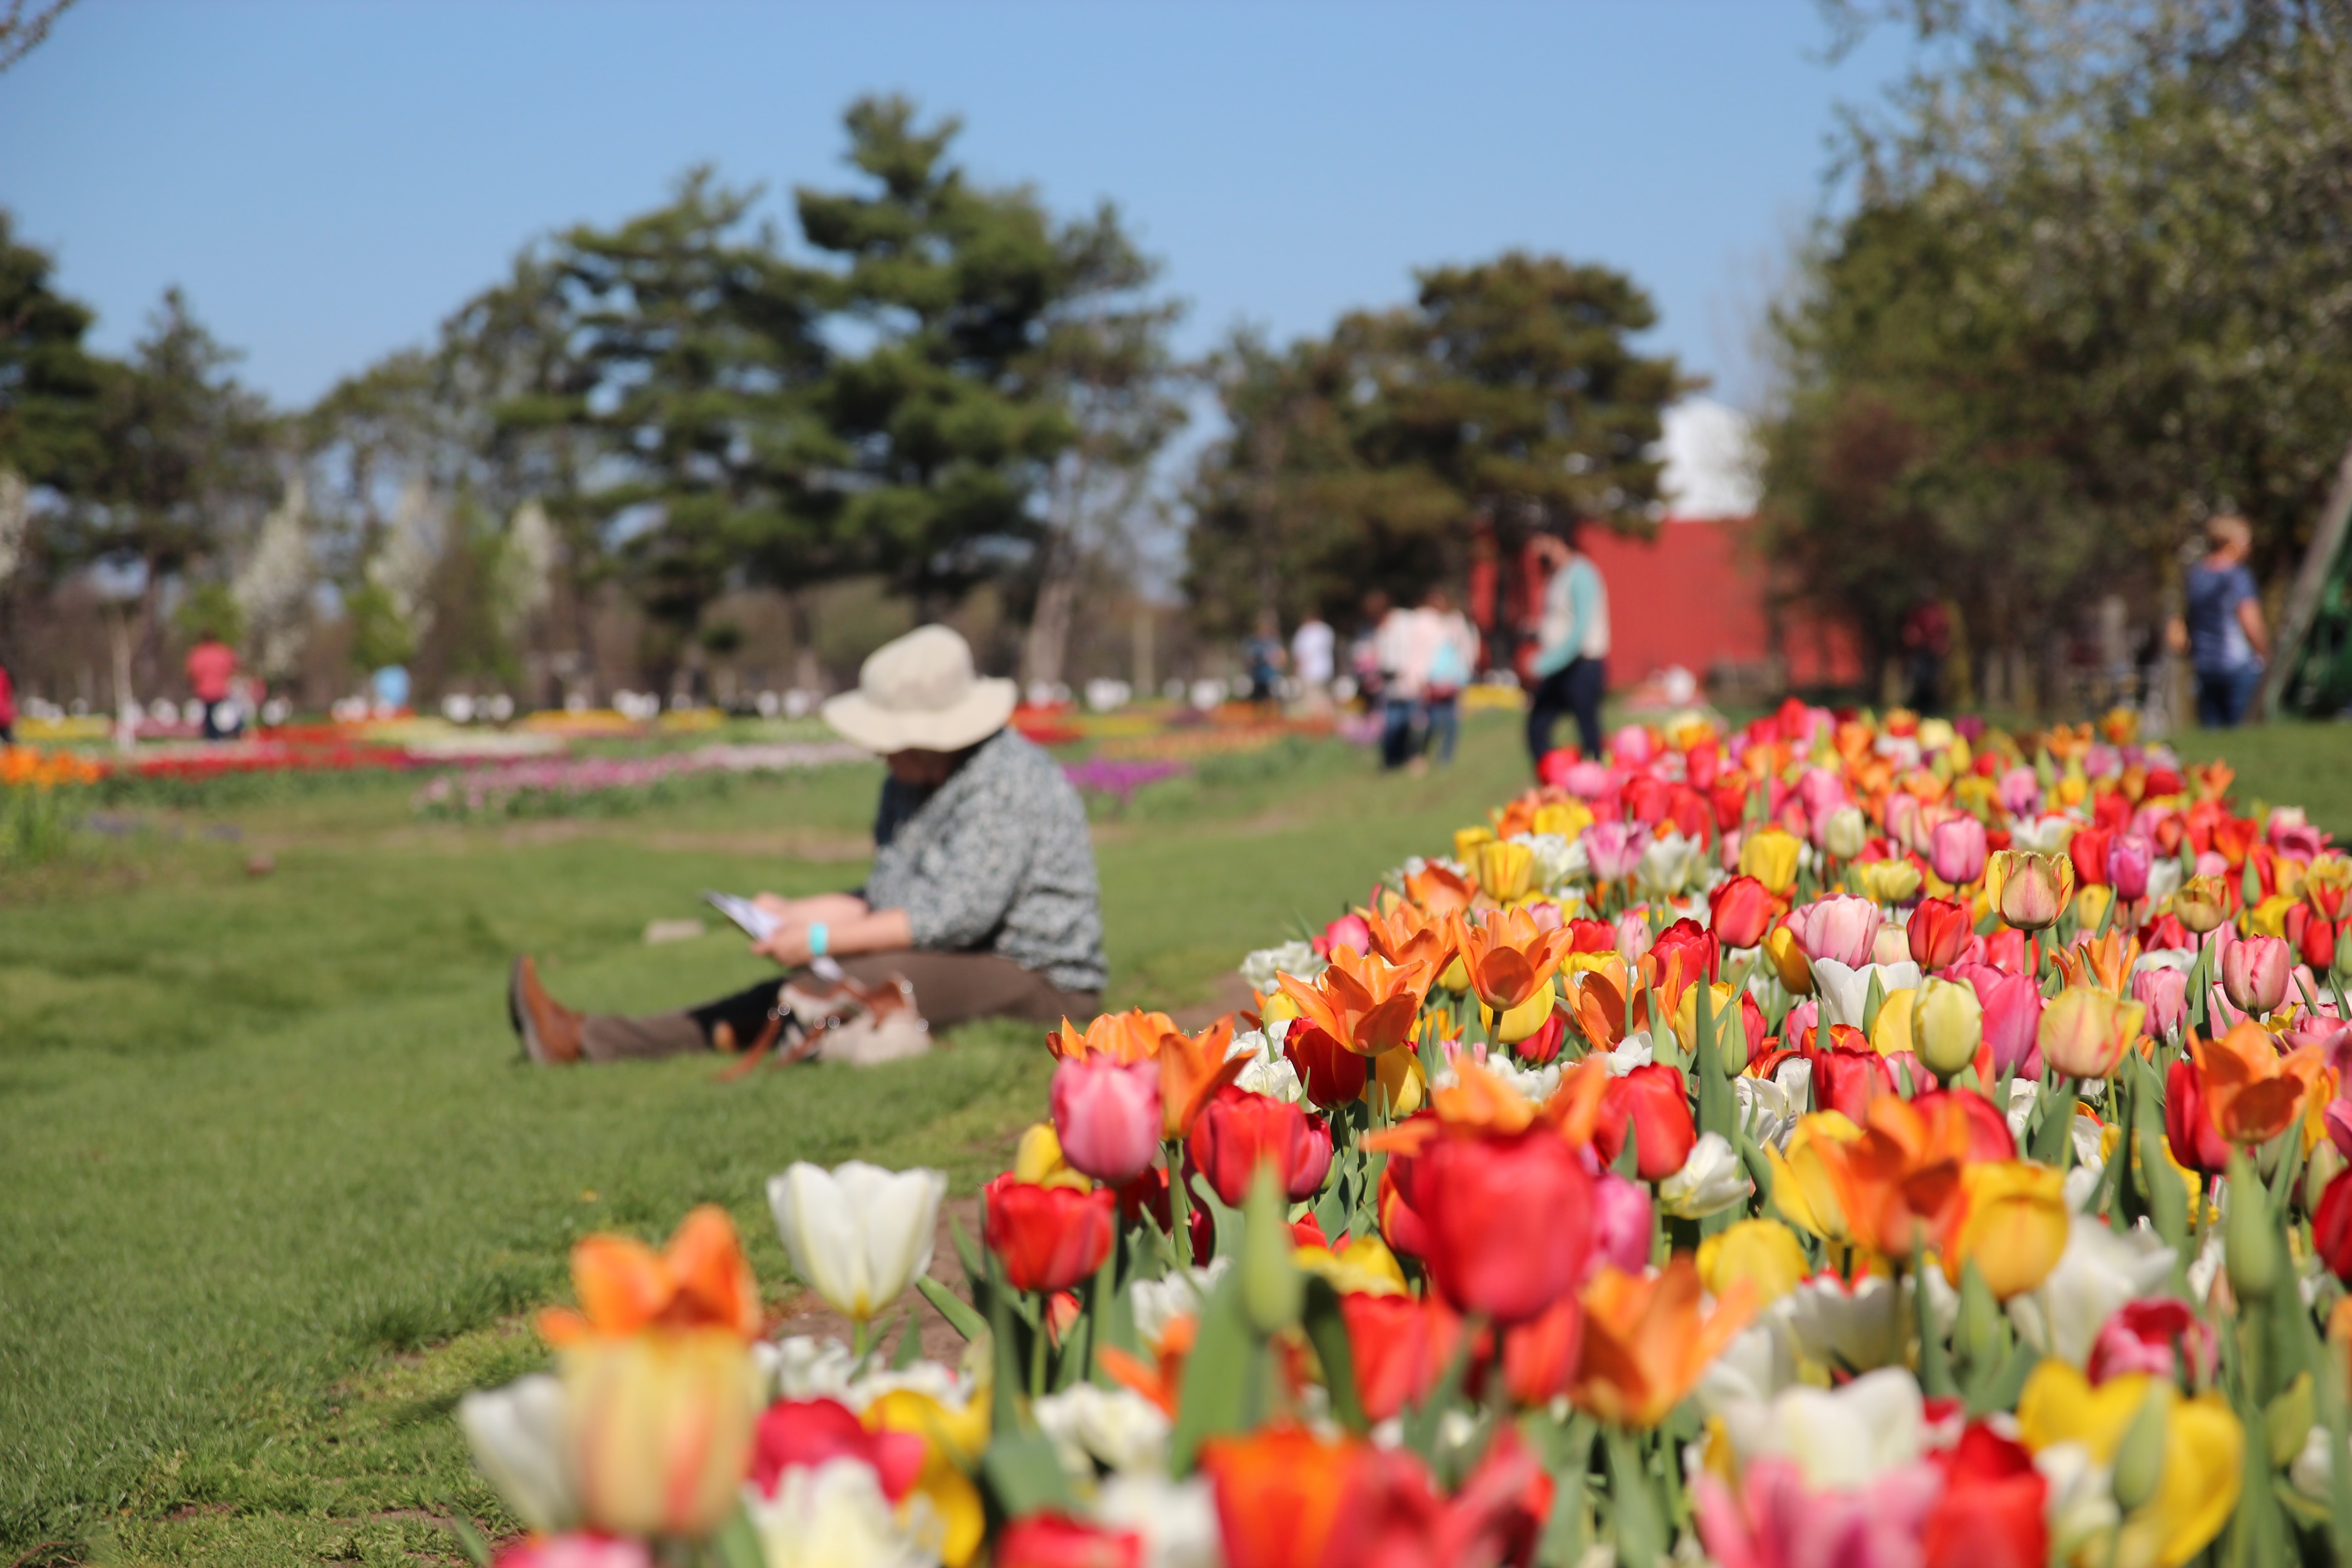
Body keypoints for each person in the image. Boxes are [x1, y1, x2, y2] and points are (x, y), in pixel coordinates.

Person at [508, 624, 1108, 1065]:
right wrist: (796, 914)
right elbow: (889, 897)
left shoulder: (1006, 781)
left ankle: (593, 1040)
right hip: (964, 949)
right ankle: (603, 1037)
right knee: (829, 978)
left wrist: (817, 939)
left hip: (1039, 975)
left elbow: (951, 917)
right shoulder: (912, 781)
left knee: (841, 978)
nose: (877, 750)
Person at [2171, 513, 2269, 728]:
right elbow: (2250, 622)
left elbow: (2188, 618)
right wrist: (2265, 654)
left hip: (2204, 665)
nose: (2249, 547)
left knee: (2213, 738)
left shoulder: (2196, 575)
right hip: (2238, 666)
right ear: (2231, 543)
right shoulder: (2237, 576)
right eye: (2246, 541)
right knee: (2241, 733)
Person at [1524, 519, 1609, 766]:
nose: (1536, 551)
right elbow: (1559, 622)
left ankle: (1593, 789)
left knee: (1589, 735)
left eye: (1541, 543)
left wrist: (1543, 665)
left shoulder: (1582, 574)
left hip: (1581, 667)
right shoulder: (1557, 576)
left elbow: (1579, 631)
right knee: (1536, 729)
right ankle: (1558, 781)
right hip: (1560, 668)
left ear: (1556, 541)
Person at [1416, 586, 1479, 767]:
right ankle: (1426, 753)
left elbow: (1465, 647)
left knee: (1451, 720)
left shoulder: (1455, 622)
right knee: (1433, 720)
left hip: (1452, 677)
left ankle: (1446, 757)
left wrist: (1465, 672)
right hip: (1433, 678)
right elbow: (1419, 652)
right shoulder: (1424, 622)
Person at [1374, 593, 1422, 770]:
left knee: (1412, 725)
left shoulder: (1405, 622)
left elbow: (1412, 652)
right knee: (1392, 726)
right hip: (1391, 686)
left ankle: (1412, 758)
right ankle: (1393, 761)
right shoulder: (1382, 628)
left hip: (1409, 681)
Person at [185, 632, 240, 740]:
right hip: (221, 689)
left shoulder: (198, 653)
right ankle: (226, 735)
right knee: (222, 715)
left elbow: (192, 672)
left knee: (209, 716)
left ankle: (212, 737)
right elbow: (234, 666)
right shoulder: (223, 651)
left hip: (205, 690)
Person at [1242, 610, 1287, 706]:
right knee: (1259, 702)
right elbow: (1248, 659)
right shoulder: (1253, 643)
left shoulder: (1274, 642)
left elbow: (1282, 658)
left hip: (1272, 677)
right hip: (1258, 677)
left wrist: (1274, 660)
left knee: (1275, 702)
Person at [1290, 612, 1335, 701]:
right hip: (1325, 669)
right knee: (1322, 695)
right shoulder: (1326, 630)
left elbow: (1301, 653)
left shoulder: (1305, 631)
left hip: (1309, 670)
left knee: (1311, 698)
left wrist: (1297, 668)